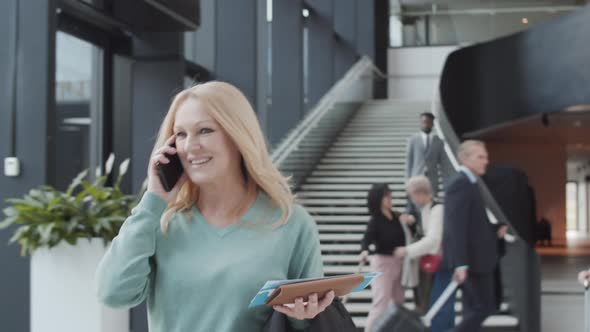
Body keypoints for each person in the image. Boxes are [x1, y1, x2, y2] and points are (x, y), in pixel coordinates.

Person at [95, 81, 334, 332]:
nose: (190, 146)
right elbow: (112, 293)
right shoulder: (161, 223)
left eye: (205, 131)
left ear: (238, 136)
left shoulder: (290, 222)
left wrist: (302, 317)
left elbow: (310, 321)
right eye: (181, 134)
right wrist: (153, 199)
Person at [441, 140, 507, 332]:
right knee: (483, 308)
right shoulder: (460, 184)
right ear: (465, 158)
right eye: (480, 157)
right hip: (472, 263)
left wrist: (494, 229)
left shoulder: (471, 183)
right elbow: (456, 228)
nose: (486, 161)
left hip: (477, 260)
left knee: (473, 309)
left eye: (485, 156)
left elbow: (473, 224)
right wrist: (460, 263)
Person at [359, 183, 413, 332]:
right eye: (386, 195)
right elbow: (366, 239)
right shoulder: (375, 220)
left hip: (399, 263)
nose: (390, 197)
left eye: (390, 194)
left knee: (398, 302)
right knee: (381, 303)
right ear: (378, 199)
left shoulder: (396, 216)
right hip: (382, 264)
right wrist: (364, 250)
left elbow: (410, 232)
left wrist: (410, 222)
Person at [393, 176, 444, 315]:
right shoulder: (425, 209)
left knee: (427, 304)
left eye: (411, 195)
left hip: (435, 263)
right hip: (427, 261)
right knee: (423, 302)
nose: (411, 199)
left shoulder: (437, 209)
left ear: (420, 193)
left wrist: (407, 250)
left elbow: (433, 240)